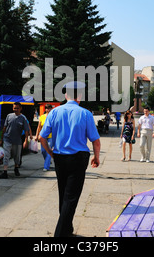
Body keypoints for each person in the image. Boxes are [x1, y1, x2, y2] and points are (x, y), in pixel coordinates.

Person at [39, 81, 101, 237]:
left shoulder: (54, 112)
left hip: (60, 157)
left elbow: (42, 137)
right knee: (71, 197)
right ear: (80, 96)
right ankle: (60, 234)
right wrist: (96, 157)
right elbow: (96, 141)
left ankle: (67, 230)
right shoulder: (85, 113)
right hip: (78, 158)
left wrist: (51, 153)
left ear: (66, 95)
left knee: (64, 194)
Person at [0, 102, 30, 179]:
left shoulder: (23, 118)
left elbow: (26, 130)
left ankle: (16, 168)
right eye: (14, 108)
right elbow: (4, 128)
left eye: (17, 108)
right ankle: (5, 172)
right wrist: (1, 139)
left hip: (17, 140)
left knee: (17, 156)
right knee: (6, 155)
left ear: (20, 108)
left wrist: (26, 140)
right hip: (7, 139)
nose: (16, 110)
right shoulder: (9, 116)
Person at [35, 103, 54, 171]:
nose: (48, 109)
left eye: (49, 108)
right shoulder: (42, 117)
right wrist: (37, 136)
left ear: (51, 109)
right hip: (43, 137)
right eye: (46, 108)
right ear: (45, 109)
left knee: (49, 150)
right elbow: (39, 127)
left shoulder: (53, 117)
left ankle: (46, 167)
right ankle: (48, 160)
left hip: (51, 137)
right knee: (43, 151)